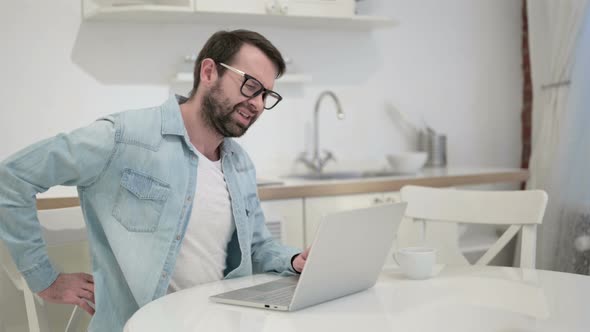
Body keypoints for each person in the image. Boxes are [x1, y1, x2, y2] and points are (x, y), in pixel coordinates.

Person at [0, 29, 309, 331]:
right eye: (250, 85)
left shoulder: (239, 164)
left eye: (266, 94)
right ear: (209, 71)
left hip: (224, 321)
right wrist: (46, 280)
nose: (257, 103)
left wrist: (294, 259)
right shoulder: (124, 138)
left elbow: (255, 248)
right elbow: (11, 178)